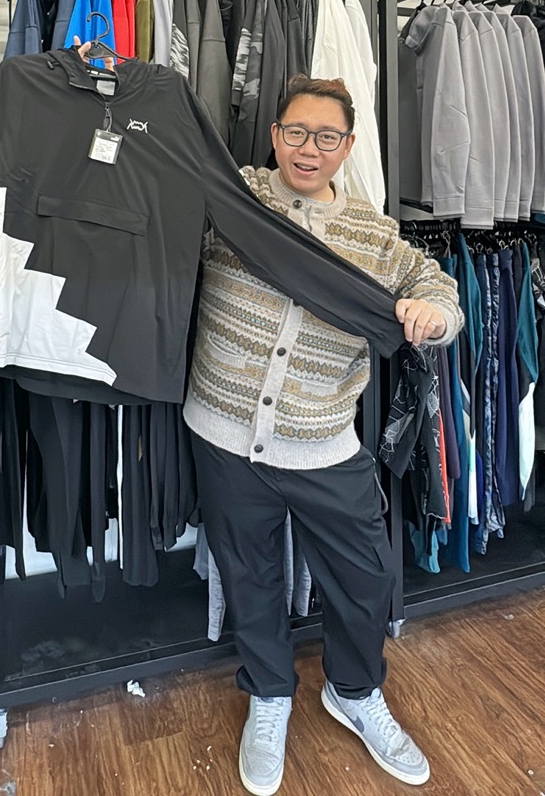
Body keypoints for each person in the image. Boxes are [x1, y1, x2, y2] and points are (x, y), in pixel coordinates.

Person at [182, 74, 464, 795]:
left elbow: (435, 285)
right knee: (250, 579)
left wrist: (433, 314)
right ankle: (269, 695)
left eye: (327, 136)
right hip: (223, 434)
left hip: (324, 442)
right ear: (275, 135)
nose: (309, 149)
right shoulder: (230, 196)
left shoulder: (372, 233)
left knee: (367, 579)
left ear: (348, 145)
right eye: (297, 132)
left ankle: (355, 691)